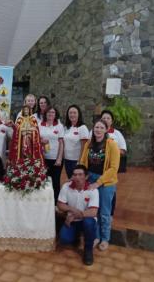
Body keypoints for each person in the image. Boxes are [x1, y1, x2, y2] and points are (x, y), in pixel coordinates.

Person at [79, 119, 120, 251]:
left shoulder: (112, 145)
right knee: (93, 210)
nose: (98, 130)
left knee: (104, 212)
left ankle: (105, 238)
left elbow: (113, 168)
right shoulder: (89, 144)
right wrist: (81, 176)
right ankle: (95, 237)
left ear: (106, 129)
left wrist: (98, 182)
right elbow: (83, 161)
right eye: (96, 127)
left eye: (101, 127)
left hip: (106, 181)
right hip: (90, 178)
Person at [57, 165, 99, 266]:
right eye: (75, 175)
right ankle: (76, 235)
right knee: (64, 239)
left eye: (80, 174)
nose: (77, 177)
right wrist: (72, 209)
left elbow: (93, 212)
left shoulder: (93, 190)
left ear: (86, 176)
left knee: (88, 222)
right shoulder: (66, 187)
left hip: (84, 219)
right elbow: (60, 204)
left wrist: (75, 215)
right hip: (73, 220)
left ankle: (88, 251)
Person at [39, 106, 64, 204]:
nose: (50, 114)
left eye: (53, 112)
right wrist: (41, 141)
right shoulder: (40, 125)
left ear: (55, 114)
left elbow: (61, 143)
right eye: (49, 112)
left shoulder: (59, 126)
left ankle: (54, 203)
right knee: (43, 180)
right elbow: (35, 140)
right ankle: (43, 202)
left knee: (55, 182)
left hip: (55, 159)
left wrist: (59, 159)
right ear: (45, 114)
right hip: (43, 159)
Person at [63, 105, 89, 179]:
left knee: (77, 181)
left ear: (79, 114)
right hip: (67, 160)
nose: (72, 115)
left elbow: (84, 146)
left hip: (76, 161)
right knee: (70, 180)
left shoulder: (82, 128)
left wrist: (80, 161)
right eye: (70, 113)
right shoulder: (66, 128)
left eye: (74, 113)